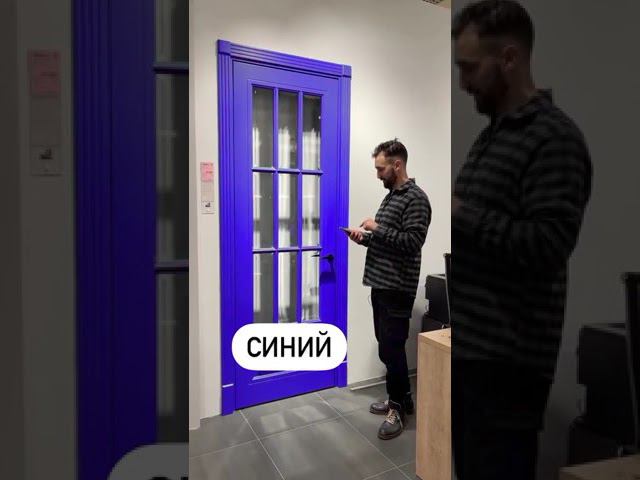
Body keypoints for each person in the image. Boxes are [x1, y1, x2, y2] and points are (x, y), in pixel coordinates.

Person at [451, 1, 592, 479]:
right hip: (472, 359)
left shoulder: (555, 139)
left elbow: (548, 245)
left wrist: (461, 214)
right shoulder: (491, 136)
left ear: (509, 58)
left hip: (507, 371)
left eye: (470, 67)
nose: (463, 81)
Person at [346, 139, 431, 440]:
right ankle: (403, 398)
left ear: (397, 165)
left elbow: (412, 243)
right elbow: (388, 242)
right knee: (387, 348)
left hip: (397, 289)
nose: (378, 174)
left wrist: (376, 228)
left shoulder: (416, 199)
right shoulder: (391, 197)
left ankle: (397, 409)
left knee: (391, 350)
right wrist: (364, 238)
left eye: (381, 169)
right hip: (381, 285)